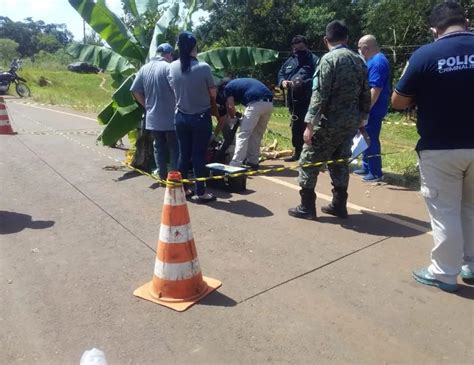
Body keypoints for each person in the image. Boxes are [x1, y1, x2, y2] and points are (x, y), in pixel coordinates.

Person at [392, 1, 474, 292]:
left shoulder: (426, 54)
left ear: (433, 30)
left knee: (445, 211)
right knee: (471, 207)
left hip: (441, 147)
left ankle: (444, 273)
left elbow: (398, 100)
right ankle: (471, 264)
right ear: (465, 21)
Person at [288, 20, 371, 221]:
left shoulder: (328, 60)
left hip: (328, 122)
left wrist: (309, 125)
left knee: (308, 160)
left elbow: (319, 95)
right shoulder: (358, 60)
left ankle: (307, 207)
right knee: (340, 161)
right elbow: (365, 93)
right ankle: (339, 205)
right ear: (347, 39)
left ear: (326, 40)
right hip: (350, 122)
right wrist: (362, 119)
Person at [167, 32, 219, 203]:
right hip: (200, 117)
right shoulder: (203, 67)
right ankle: (201, 192)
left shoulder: (172, 67)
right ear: (194, 47)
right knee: (198, 155)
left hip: (180, 117)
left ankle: (182, 189)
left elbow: (173, 88)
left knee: (183, 154)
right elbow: (212, 93)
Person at [130, 43, 178, 181]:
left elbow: (135, 90)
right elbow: (176, 88)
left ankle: (162, 177)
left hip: (152, 117)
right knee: (174, 148)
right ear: (168, 54)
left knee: (159, 147)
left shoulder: (144, 69)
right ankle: (174, 177)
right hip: (170, 117)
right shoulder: (168, 67)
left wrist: (146, 105)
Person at [278, 35, 319, 162]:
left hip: (309, 100)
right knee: (296, 128)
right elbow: (281, 73)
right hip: (293, 101)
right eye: (296, 48)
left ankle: (312, 155)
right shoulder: (290, 60)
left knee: (310, 127)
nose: (298, 50)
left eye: (301, 47)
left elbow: (319, 78)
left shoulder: (314, 60)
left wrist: (304, 83)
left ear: (306, 46)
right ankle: (298, 152)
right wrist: (283, 82)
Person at [216, 78, 273, 169]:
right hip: (269, 104)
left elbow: (230, 105)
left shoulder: (227, 88)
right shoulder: (239, 83)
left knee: (243, 135)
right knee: (256, 135)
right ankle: (253, 162)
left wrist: (234, 118)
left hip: (255, 103)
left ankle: (235, 164)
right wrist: (235, 115)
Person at [356, 35, 391, 182]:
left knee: (370, 138)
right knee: (365, 136)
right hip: (372, 107)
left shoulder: (377, 62)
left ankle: (376, 172)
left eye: (359, 47)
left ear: (365, 47)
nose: (358, 50)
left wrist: (365, 110)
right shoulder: (373, 60)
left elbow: (375, 90)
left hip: (374, 108)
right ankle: (366, 166)